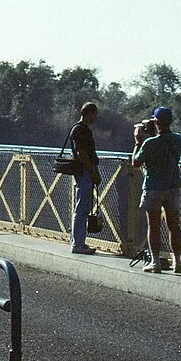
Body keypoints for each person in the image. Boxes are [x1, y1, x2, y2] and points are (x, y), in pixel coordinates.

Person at [131, 106, 181, 273]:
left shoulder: (149, 143)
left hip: (154, 187)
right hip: (173, 186)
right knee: (174, 225)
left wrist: (138, 141)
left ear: (155, 122)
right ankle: (177, 262)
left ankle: (155, 262)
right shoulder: (178, 139)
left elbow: (135, 162)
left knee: (153, 226)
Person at [68, 102, 103, 254]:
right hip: (84, 172)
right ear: (89, 113)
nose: (96, 117)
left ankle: (78, 241)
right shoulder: (80, 130)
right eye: (94, 113)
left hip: (86, 171)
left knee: (83, 206)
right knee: (82, 208)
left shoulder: (81, 130)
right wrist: (91, 170)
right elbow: (81, 152)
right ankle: (78, 244)